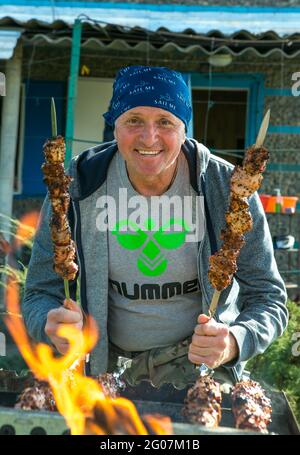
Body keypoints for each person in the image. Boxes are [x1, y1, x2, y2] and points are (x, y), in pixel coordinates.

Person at [22, 65, 288, 389]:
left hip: (200, 376)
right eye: (134, 120)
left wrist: (234, 341)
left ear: (184, 128)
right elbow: (39, 292)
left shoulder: (227, 189)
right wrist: (50, 323)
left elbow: (269, 297)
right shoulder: (76, 185)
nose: (149, 138)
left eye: (165, 122)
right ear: (115, 125)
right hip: (106, 372)